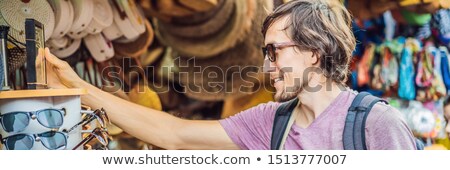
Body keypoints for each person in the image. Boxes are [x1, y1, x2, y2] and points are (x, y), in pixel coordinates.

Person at [41, 0, 416, 149]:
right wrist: (79, 88)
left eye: (275, 51)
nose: (267, 65)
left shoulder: (376, 124)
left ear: (314, 52)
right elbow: (175, 134)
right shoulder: (271, 121)